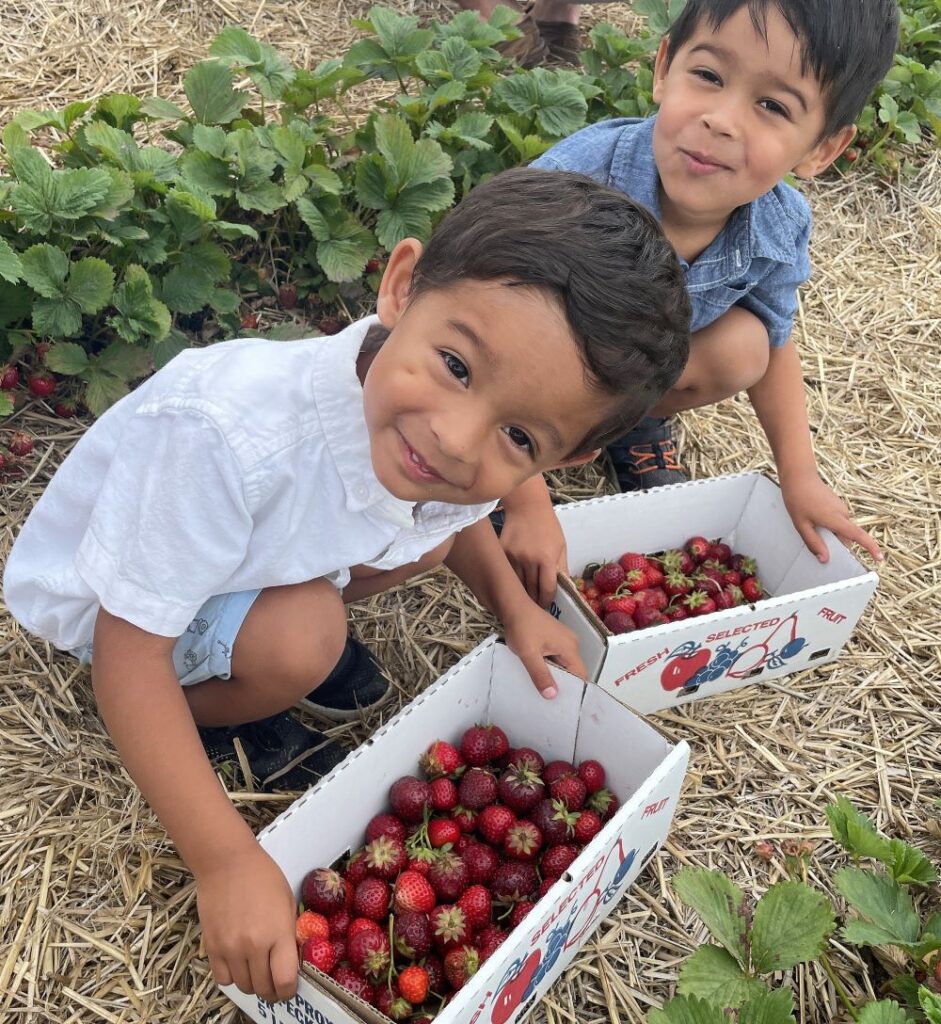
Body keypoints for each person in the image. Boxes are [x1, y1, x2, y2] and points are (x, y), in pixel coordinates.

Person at [2, 167, 690, 1002]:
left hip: (250, 556)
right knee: (302, 641)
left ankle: (253, 647)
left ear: (561, 462)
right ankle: (208, 713)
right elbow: (126, 648)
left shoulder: (428, 449)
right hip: (114, 609)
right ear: (400, 286)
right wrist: (225, 859)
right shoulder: (227, 437)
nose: (453, 438)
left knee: (423, 546)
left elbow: (455, 521)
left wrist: (517, 612)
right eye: (455, 365)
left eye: (517, 436)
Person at [494, 0, 893, 607]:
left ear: (822, 150)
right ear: (663, 68)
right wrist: (527, 500)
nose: (721, 120)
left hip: (619, 367)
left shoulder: (779, 224)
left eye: (773, 106)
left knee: (747, 346)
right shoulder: (579, 185)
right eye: (708, 76)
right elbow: (497, 335)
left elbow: (777, 343)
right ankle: (507, 459)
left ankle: (630, 424)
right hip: (513, 370)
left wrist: (800, 477)